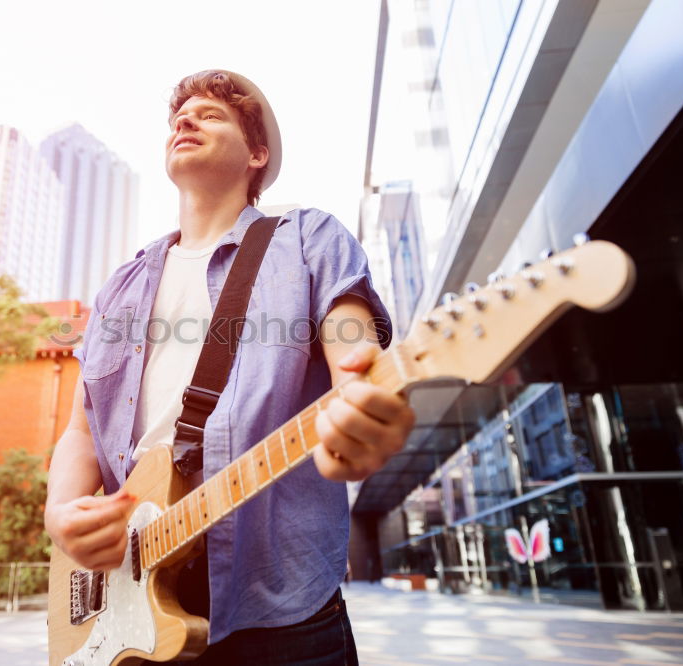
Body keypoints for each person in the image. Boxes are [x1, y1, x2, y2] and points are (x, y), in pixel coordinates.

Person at [45, 70, 415, 665]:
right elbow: (80, 431)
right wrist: (60, 513)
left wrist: (365, 412)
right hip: (124, 607)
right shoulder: (121, 286)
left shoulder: (309, 238)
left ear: (257, 154)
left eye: (211, 115)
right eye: (179, 117)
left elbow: (356, 365)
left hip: (281, 604)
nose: (185, 121)